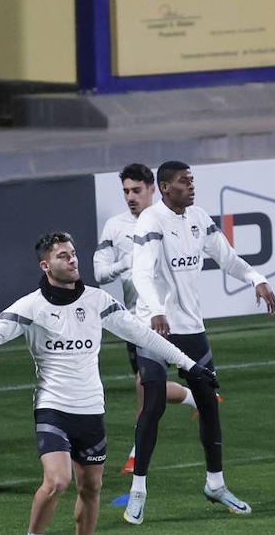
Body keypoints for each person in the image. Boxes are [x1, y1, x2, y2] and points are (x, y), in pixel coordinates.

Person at [0, 232, 208, 535]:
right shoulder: (30, 308)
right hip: (52, 409)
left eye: (73, 253)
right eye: (63, 256)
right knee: (57, 482)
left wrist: (191, 365)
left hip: (91, 411)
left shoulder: (98, 301)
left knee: (91, 488)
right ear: (45, 266)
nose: (72, 259)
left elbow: (146, 336)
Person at [124, 161, 275, 524]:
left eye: (192, 180)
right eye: (183, 181)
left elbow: (226, 257)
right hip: (154, 327)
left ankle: (215, 484)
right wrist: (157, 310)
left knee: (208, 402)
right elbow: (141, 272)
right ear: (164, 187)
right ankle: (138, 490)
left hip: (191, 328)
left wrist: (256, 278)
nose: (191, 186)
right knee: (154, 403)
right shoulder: (151, 221)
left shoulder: (198, 217)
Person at [92, 163, 198, 475]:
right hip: (135, 321)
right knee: (150, 385)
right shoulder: (115, 226)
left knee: (144, 384)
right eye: (125, 191)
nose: (130, 197)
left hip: (169, 317)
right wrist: (125, 262)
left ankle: (138, 456)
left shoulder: (173, 220)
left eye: (136, 190)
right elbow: (99, 272)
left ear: (154, 188)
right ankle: (200, 396)